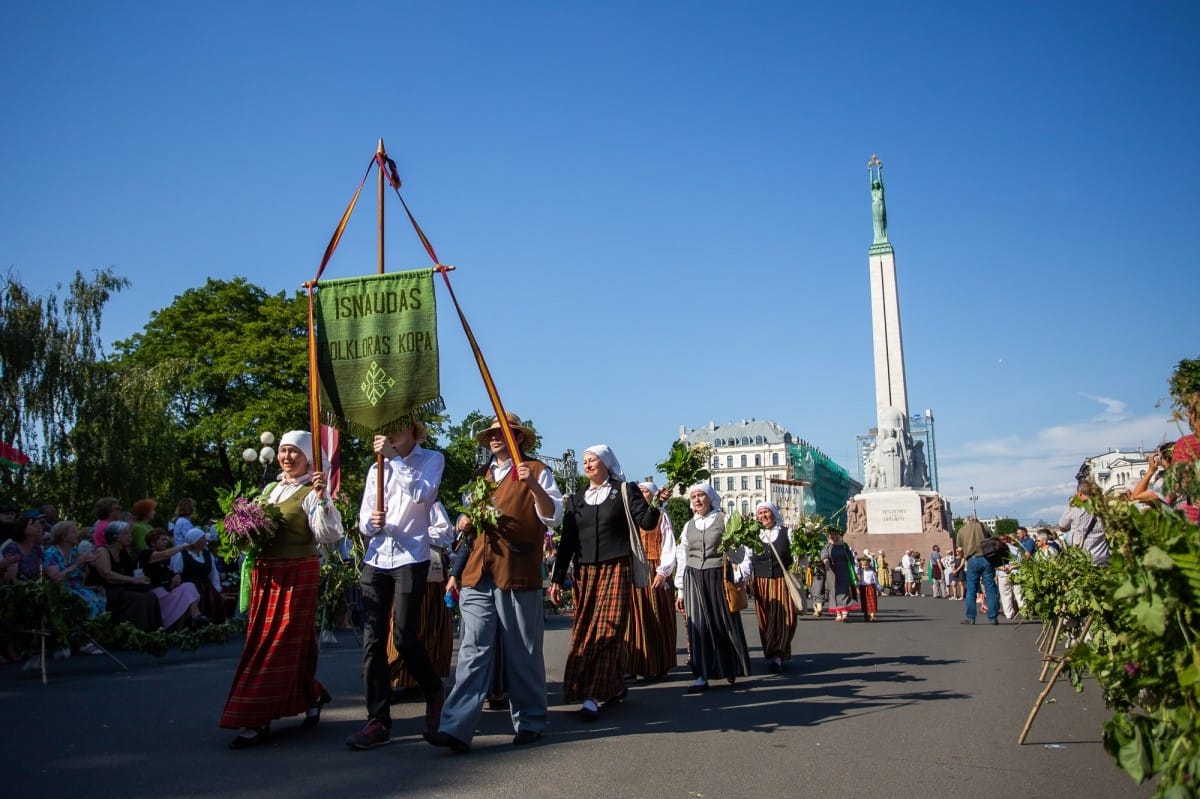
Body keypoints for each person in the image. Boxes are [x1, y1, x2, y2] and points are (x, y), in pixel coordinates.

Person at [425, 412, 563, 753]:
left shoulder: (539, 471)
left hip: (517, 569)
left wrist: (531, 483)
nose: (496, 437)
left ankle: (530, 719)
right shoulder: (480, 476)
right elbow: (470, 529)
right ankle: (456, 727)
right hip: (476, 571)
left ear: (518, 437)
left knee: (523, 650)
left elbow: (554, 517)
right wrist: (462, 527)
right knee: (472, 650)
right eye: (492, 434)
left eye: (503, 432)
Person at [221, 430, 344, 750]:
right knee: (277, 641)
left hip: (297, 571)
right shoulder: (271, 488)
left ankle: (255, 716)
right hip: (265, 573)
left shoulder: (310, 491)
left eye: (294, 452)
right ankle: (311, 692)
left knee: (278, 641)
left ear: (307, 458)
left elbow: (328, 535)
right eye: (283, 451)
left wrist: (323, 499)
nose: (287, 457)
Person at [346, 423, 446, 751]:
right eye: (385, 433)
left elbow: (423, 495)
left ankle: (432, 688)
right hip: (377, 557)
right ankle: (378, 719)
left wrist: (395, 460)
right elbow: (363, 518)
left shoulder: (432, 459)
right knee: (372, 640)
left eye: (396, 431)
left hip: (410, 556)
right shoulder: (376, 468)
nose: (389, 438)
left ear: (414, 432)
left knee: (403, 636)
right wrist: (369, 523)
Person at [549, 445, 660, 719]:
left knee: (608, 631)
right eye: (584, 461)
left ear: (607, 464)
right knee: (585, 631)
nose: (587, 465)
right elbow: (567, 543)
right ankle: (613, 685)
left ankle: (591, 696)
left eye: (592, 460)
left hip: (616, 567)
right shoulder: (576, 499)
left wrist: (657, 504)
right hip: (585, 573)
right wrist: (556, 579)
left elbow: (645, 522)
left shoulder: (624, 491)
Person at [673, 483, 751, 693]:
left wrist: (737, 559)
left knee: (723, 621)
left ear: (710, 498)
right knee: (698, 625)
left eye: (701, 496)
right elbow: (683, 556)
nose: (697, 500)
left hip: (718, 574)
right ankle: (701, 674)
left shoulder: (724, 519)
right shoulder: (689, 525)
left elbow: (739, 553)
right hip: (694, 577)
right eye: (694, 497)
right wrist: (680, 589)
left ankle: (730, 667)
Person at [388, 501, 454, 700]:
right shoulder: (391, 502)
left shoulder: (431, 505)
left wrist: (417, 531)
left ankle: (419, 678)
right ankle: (393, 675)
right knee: (396, 626)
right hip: (396, 570)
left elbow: (446, 534)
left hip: (427, 575)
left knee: (426, 624)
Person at [624, 481, 677, 681]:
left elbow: (668, 544)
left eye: (644, 491)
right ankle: (632, 663)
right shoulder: (630, 517)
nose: (640, 494)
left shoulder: (661, 516)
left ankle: (657, 663)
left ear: (653, 495)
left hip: (655, 568)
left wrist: (663, 572)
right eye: (638, 491)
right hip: (635, 569)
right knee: (634, 618)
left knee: (656, 616)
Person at [747, 501, 796, 673]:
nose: (763, 516)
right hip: (761, 583)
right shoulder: (753, 535)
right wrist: (743, 578)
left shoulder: (786, 532)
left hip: (782, 581)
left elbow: (796, 556)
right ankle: (772, 652)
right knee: (766, 619)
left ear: (774, 514)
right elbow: (748, 560)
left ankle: (779, 653)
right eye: (760, 513)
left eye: (766, 512)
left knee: (785, 618)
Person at [89, 520, 162, 631]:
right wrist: (133, 580)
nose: (130, 536)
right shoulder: (102, 551)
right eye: (126, 533)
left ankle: (154, 630)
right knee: (139, 599)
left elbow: (130, 571)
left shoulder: (123, 552)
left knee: (151, 595)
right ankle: (133, 631)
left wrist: (141, 578)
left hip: (121, 586)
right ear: (116, 537)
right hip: (106, 590)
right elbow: (106, 574)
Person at [137, 527, 207, 629]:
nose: (166, 542)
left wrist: (175, 576)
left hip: (167, 589)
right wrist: (182, 547)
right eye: (162, 540)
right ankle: (186, 622)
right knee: (177, 594)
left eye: (166, 539)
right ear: (153, 543)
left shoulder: (166, 559)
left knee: (188, 586)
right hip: (155, 592)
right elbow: (164, 555)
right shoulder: (146, 553)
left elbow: (168, 572)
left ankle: (194, 616)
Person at [170, 527, 227, 623]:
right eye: (203, 538)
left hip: (206, 587)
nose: (205, 541)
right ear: (195, 541)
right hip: (190, 588)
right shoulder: (182, 555)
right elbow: (177, 573)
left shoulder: (207, 554)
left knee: (215, 603)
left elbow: (213, 574)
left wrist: (217, 590)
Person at [957, 517, 1000, 625]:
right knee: (990, 588)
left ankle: (971, 618)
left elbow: (960, 549)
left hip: (972, 560)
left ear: (966, 522)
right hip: (986, 559)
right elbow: (994, 538)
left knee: (971, 589)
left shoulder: (962, 530)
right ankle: (993, 617)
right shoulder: (983, 526)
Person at [1058, 480, 1109, 566]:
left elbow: (1062, 527)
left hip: (1082, 557)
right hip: (1102, 556)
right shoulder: (1105, 507)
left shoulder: (1075, 508)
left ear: (1080, 493)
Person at [821, 529, 858, 621]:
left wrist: (854, 571)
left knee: (844, 589)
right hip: (831, 570)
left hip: (843, 569)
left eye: (834, 534)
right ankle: (838, 612)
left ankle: (844, 611)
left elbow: (850, 558)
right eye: (830, 535)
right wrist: (826, 562)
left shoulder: (844, 546)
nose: (832, 536)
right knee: (833, 590)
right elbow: (824, 555)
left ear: (838, 535)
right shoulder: (827, 546)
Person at [2, 515, 45, 583]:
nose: (39, 527)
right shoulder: (12, 548)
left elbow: (40, 574)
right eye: (33, 525)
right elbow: (11, 579)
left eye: (39, 524)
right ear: (23, 529)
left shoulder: (37, 548)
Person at [858, 555, 880, 622]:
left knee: (872, 601)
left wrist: (878, 587)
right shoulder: (860, 572)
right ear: (861, 565)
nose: (865, 567)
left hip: (871, 587)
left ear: (868, 565)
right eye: (863, 565)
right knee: (864, 602)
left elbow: (875, 580)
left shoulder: (872, 572)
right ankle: (866, 614)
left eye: (866, 565)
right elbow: (859, 580)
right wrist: (857, 587)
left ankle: (872, 615)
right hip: (863, 587)